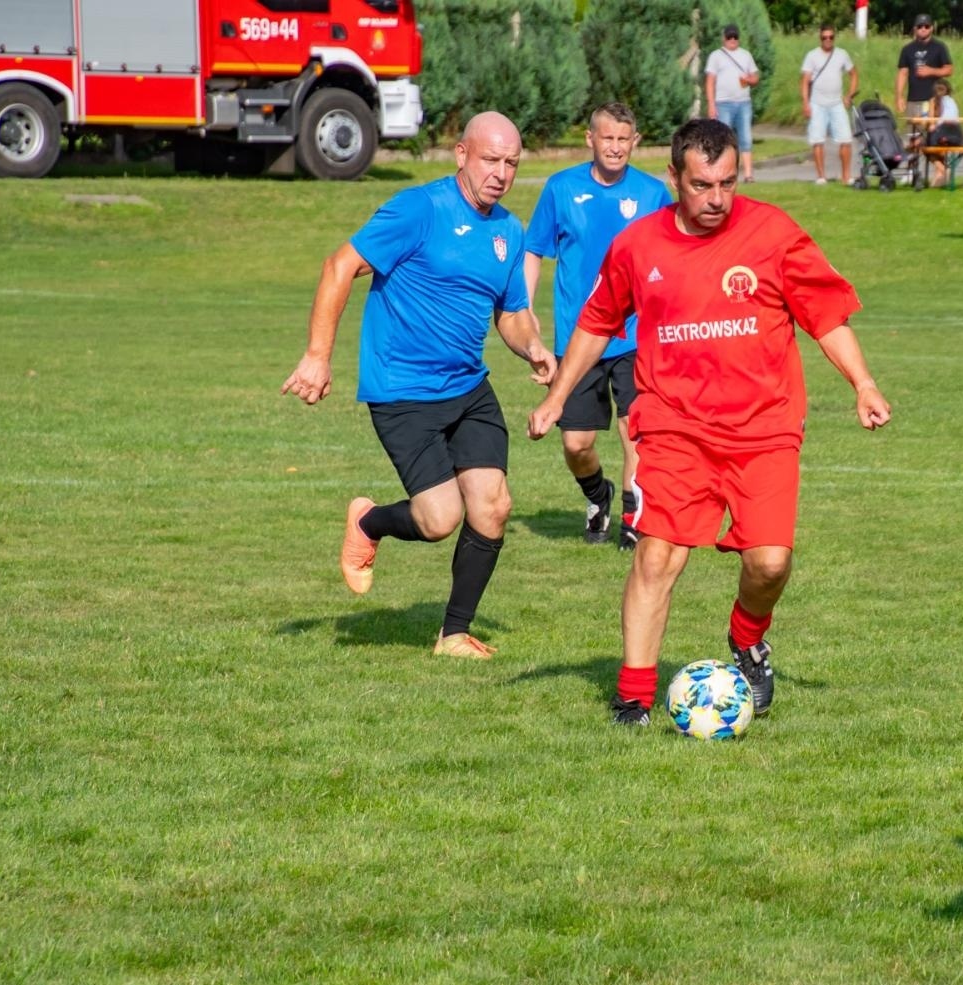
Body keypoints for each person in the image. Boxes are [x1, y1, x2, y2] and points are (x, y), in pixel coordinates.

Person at [527, 119, 891, 727]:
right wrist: (556, 397)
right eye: (702, 185)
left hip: (765, 428)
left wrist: (864, 382)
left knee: (770, 563)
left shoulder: (773, 233)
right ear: (674, 178)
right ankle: (634, 697)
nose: (717, 198)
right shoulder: (639, 245)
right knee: (656, 558)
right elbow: (595, 322)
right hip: (674, 429)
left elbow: (825, 314)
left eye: (726, 182)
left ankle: (747, 637)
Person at [280, 112, 557, 660]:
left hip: (467, 388)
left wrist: (533, 345)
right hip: (403, 391)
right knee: (439, 519)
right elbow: (339, 266)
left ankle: (453, 633)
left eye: (512, 163)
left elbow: (512, 313)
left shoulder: (507, 230)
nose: (501, 173)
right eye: (491, 160)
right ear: (461, 154)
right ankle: (368, 521)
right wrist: (317, 356)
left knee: (493, 505)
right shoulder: (418, 209)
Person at [522, 102, 673, 549]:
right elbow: (534, 250)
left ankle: (632, 519)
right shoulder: (560, 189)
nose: (615, 147)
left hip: (635, 338)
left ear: (636, 142)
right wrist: (527, 310)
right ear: (590, 139)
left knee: (637, 437)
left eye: (623, 139)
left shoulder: (653, 193)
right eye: (607, 138)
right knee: (576, 444)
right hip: (579, 338)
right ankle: (597, 495)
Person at [800, 22, 858, 185]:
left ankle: (846, 176)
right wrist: (805, 103)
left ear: (834, 37)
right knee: (817, 139)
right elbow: (805, 81)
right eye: (824, 37)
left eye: (831, 37)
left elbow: (853, 74)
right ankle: (821, 177)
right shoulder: (812, 56)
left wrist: (849, 95)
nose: (828, 40)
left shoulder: (841, 54)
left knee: (845, 139)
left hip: (836, 103)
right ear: (820, 38)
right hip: (817, 103)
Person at [705, 23, 761, 183]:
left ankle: (749, 174)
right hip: (723, 103)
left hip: (743, 102)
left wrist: (750, 79)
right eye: (729, 37)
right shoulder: (716, 56)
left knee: (745, 138)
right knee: (723, 140)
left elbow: (755, 76)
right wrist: (711, 104)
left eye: (735, 37)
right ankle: (723, 173)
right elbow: (710, 81)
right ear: (724, 38)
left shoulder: (745, 55)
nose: (732, 40)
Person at [895, 13, 953, 130]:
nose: (923, 29)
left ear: (931, 28)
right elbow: (903, 73)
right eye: (920, 26)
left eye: (926, 26)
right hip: (913, 99)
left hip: (933, 99)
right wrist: (899, 96)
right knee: (913, 135)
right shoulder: (907, 49)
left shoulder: (939, 47)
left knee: (930, 134)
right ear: (915, 28)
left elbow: (949, 69)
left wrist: (931, 71)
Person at [925, 78, 963, 187]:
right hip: (956, 135)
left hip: (942, 134)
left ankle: (943, 170)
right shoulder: (951, 101)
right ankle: (941, 174)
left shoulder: (935, 101)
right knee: (937, 148)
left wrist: (932, 125)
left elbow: (931, 121)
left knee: (925, 146)